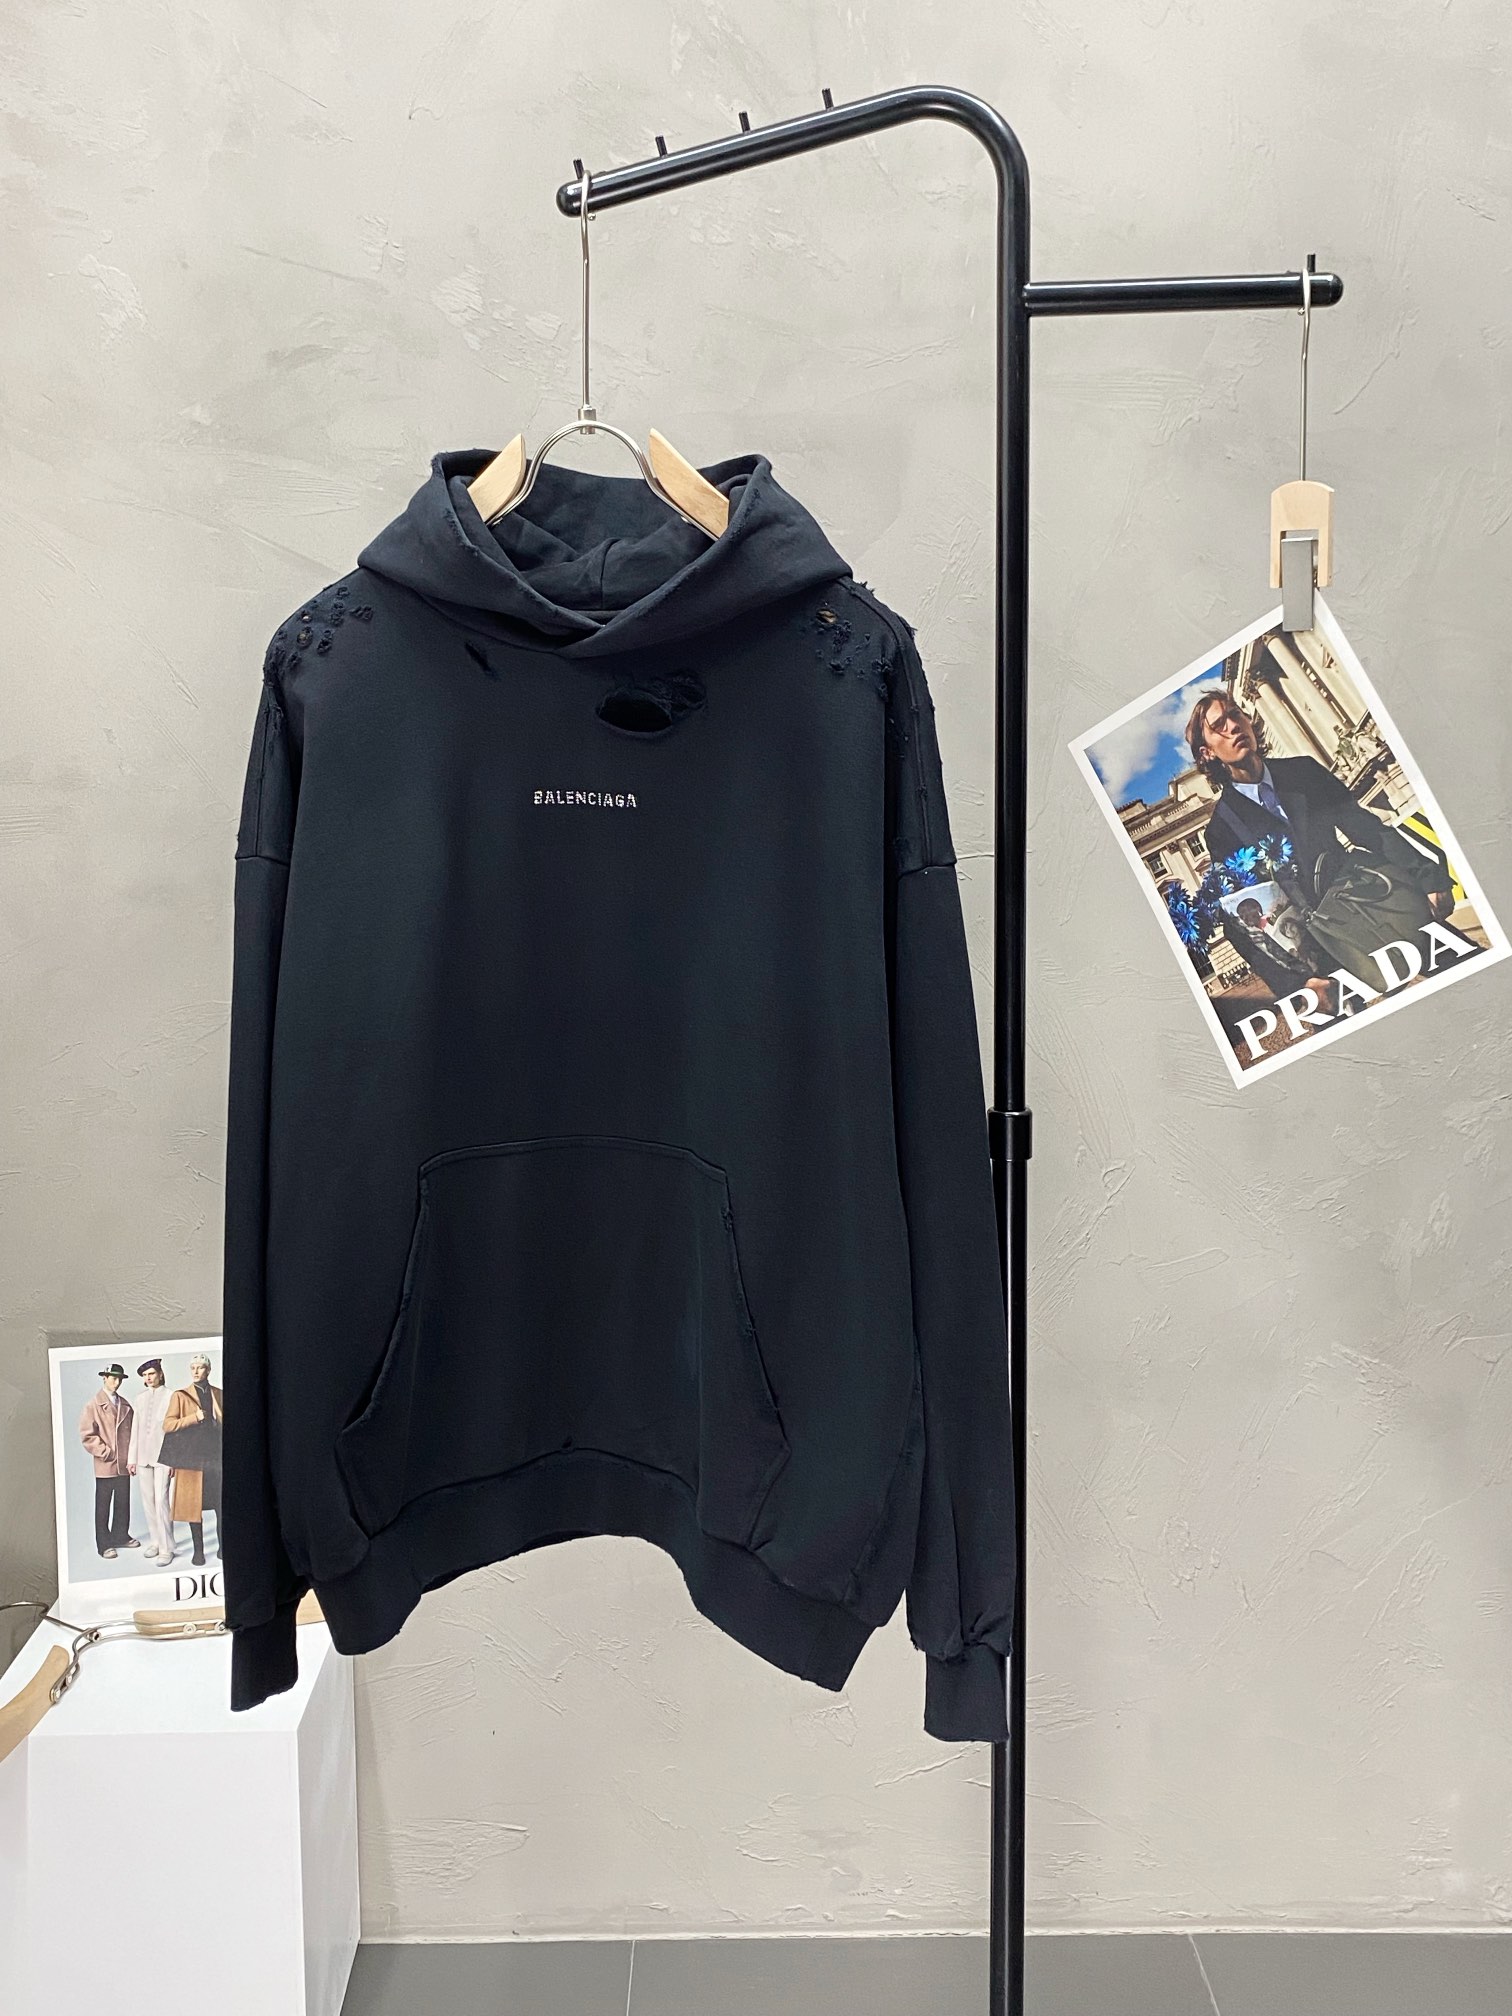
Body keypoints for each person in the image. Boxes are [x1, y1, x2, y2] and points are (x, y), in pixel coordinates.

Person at [1188, 690, 1456, 1015]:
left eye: (1235, 714)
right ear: (1207, 753)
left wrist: (1428, 878)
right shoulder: (1222, 829)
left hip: (1371, 901)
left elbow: (1366, 829)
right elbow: (1240, 922)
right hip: (1318, 952)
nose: (1233, 726)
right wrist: (1297, 985)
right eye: (1219, 725)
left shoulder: (1304, 772)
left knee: (1460, 971)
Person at [162, 1354, 224, 1568]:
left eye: (201, 1367)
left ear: (208, 1370)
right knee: (193, 1506)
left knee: (221, 1504)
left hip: (215, 1458)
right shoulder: (180, 1396)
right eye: (193, 1368)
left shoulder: (218, 1393)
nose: (196, 1371)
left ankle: (223, 1548)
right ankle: (198, 1552)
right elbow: (168, 1425)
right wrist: (193, 1418)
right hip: (191, 1458)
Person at [78, 1363, 140, 1560]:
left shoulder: (126, 1405)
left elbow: (134, 1434)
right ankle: (103, 1544)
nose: (117, 1382)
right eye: (113, 1378)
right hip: (106, 1463)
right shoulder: (93, 1405)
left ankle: (120, 1536)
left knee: (123, 1502)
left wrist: (132, 1458)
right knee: (103, 1505)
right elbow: (87, 1435)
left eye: (120, 1378)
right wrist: (105, 1452)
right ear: (104, 1378)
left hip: (124, 1463)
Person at [128, 1356, 176, 1564]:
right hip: (143, 1457)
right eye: (145, 1375)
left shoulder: (171, 1396)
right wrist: (132, 1459)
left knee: (161, 1501)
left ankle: (167, 1548)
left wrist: (173, 1460)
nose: (148, 1378)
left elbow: (175, 1433)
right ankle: (156, 1542)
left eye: (151, 1374)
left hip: (163, 1457)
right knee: (148, 1501)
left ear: (160, 1374)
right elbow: (135, 1430)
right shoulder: (139, 1398)